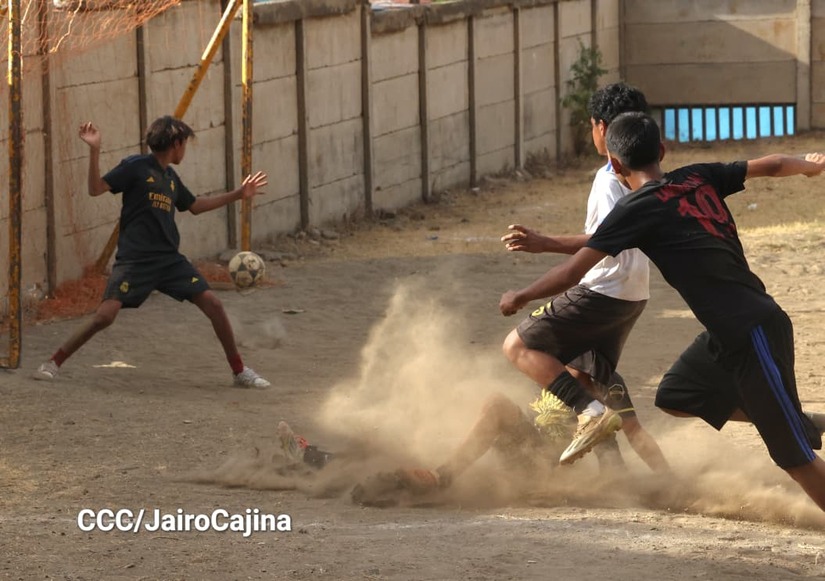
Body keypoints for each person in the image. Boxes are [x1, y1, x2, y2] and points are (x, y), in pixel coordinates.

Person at [499, 111, 825, 510]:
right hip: (729, 333)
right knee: (678, 394)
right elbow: (771, 164)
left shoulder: (636, 208)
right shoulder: (697, 176)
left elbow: (574, 271)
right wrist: (808, 168)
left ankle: (787, 421)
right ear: (663, 151)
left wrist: (521, 295)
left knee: (796, 461)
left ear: (615, 164)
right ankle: (789, 417)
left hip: (751, 330)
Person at [500, 82, 669, 469]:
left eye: (592, 125)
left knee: (517, 346)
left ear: (603, 128)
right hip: (634, 295)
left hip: (604, 288)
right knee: (592, 377)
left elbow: (601, 240)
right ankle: (618, 474)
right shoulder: (647, 176)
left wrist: (543, 245)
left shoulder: (610, 176)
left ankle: (588, 413)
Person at [34, 116, 271, 388]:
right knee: (104, 316)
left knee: (213, 305)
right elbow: (95, 188)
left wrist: (239, 194)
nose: (185, 150)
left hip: (169, 260)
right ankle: (53, 362)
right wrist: (95, 149)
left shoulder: (170, 177)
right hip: (135, 261)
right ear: (176, 143)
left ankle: (239, 371)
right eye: (185, 144)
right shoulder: (135, 167)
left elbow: (194, 205)